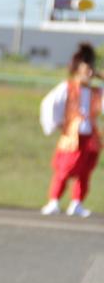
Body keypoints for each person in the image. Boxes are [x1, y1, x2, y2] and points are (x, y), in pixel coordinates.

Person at [39, 43, 102, 218]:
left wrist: (100, 75)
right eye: (87, 68)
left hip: (90, 137)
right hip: (72, 136)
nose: (89, 72)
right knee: (64, 170)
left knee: (85, 172)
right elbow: (50, 104)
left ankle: (77, 202)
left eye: (92, 68)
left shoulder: (97, 91)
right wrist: (57, 123)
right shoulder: (67, 87)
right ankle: (54, 200)